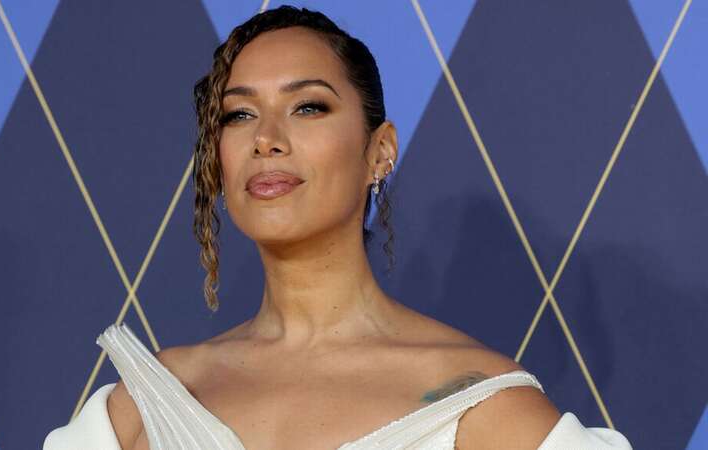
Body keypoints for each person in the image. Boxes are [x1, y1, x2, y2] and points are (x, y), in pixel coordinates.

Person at [44, 5, 632, 449]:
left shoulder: (479, 404)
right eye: (238, 114)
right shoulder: (146, 405)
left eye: (308, 107)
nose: (266, 138)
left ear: (379, 151)